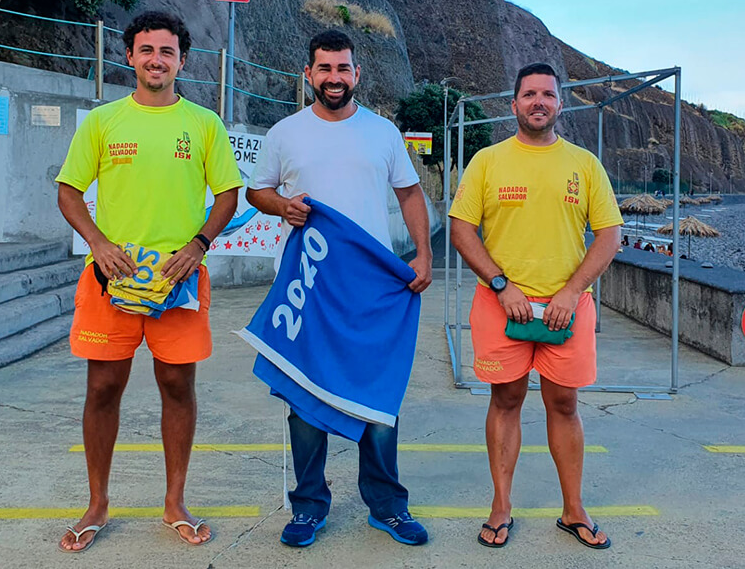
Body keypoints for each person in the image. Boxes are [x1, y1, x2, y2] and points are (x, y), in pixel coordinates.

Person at [54, 11, 243, 552]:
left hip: (178, 281)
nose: (156, 60)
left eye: (167, 51)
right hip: (111, 278)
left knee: (177, 386)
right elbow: (69, 190)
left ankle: (175, 502)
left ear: (182, 60)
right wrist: (98, 242)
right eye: (146, 50)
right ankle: (96, 504)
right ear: (129, 56)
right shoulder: (102, 121)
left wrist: (197, 246)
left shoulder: (204, 123)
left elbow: (227, 194)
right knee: (103, 387)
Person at [246, 30, 433, 548]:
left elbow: (411, 193)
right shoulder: (285, 132)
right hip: (312, 282)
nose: (334, 78)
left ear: (357, 74)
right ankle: (308, 507)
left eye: (343, 68)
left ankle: (388, 506)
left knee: (378, 395)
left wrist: (423, 251)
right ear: (308, 74)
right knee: (304, 397)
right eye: (324, 68)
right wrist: (281, 206)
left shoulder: (383, 133)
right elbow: (256, 190)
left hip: (372, 286)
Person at [450, 62, 621, 550]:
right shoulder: (488, 161)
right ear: (515, 104)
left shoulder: (584, 165)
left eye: (548, 94)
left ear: (559, 103)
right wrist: (502, 285)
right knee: (505, 400)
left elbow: (609, 235)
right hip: (502, 304)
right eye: (529, 95)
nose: (538, 102)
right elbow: (462, 228)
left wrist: (571, 292)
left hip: (568, 308)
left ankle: (573, 510)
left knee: (564, 403)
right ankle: (501, 506)